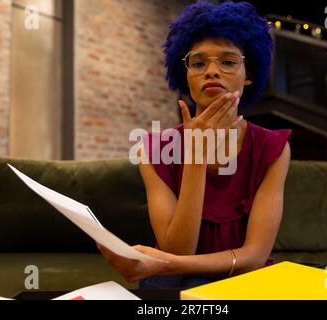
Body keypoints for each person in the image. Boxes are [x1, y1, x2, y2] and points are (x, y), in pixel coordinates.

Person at [97, 0, 292, 290]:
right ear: (185, 76)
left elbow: (254, 256)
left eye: (227, 61)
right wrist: (196, 156)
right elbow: (178, 249)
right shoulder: (153, 149)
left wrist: (163, 263)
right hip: (176, 279)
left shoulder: (272, 148)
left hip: (240, 276)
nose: (212, 71)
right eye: (199, 63)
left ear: (249, 74)